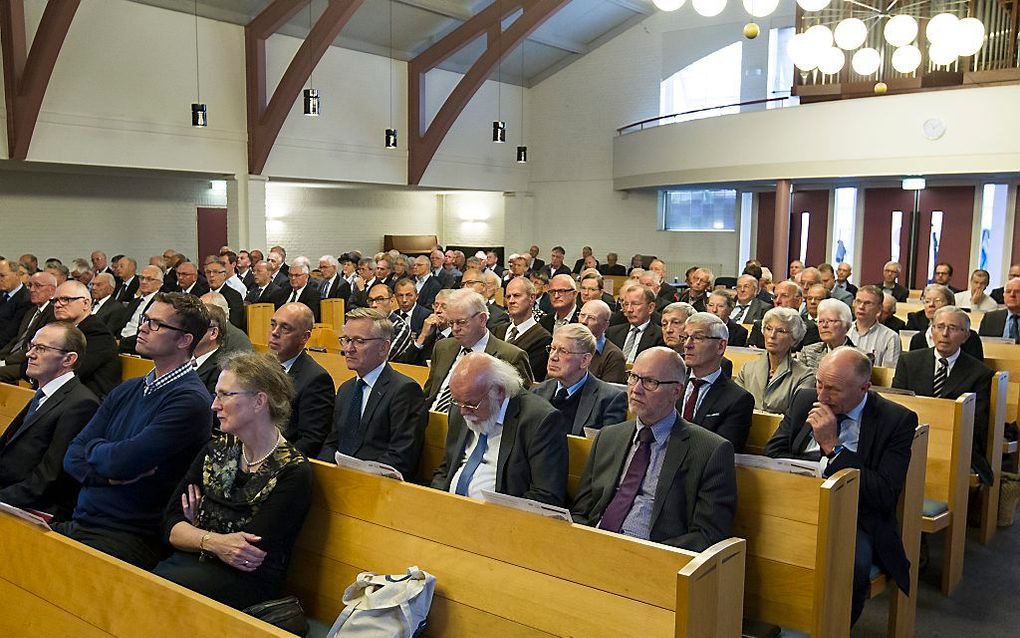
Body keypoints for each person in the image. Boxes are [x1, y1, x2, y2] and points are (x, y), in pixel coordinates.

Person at [59, 293, 214, 569]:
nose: (143, 327)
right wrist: (106, 475)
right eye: (145, 319)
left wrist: (95, 450)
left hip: (131, 535)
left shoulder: (189, 400)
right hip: (84, 520)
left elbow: (123, 462)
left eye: (156, 324)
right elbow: (72, 455)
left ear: (184, 340)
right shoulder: (129, 388)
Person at [765, 347, 916, 626]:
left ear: (864, 388)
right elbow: (772, 454)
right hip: (798, 503)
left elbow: (884, 493)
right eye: (820, 383)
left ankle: (833, 627)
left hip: (857, 518)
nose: (822, 396)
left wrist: (832, 448)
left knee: (849, 566)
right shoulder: (805, 399)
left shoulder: (896, 421)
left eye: (833, 389)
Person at [153, 352, 312, 611]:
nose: (214, 405)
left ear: (259, 401)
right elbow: (170, 525)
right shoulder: (216, 449)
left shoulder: (292, 471)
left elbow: (246, 552)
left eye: (225, 395)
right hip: (193, 564)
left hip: (248, 584)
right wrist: (214, 540)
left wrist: (197, 526)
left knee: (158, 590)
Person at [571, 347, 736, 552]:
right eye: (633, 377)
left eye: (650, 382)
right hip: (593, 545)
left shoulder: (710, 450)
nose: (636, 389)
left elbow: (708, 534)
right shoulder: (609, 437)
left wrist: (650, 555)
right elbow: (583, 509)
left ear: (676, 391)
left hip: (653, 557)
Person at [431, 353, 568, 506]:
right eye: (458, 402)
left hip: (502, 519)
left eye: (471, 404)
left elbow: (546, 496)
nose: (463, 412)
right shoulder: (462, 405)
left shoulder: (539, 420)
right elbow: (446, 468)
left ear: (499, 392)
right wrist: (436, 502)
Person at [0, 322, 100, 519]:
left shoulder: (81, 403)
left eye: (41, 348)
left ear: (69, 359)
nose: (30, 354)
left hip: (34, 507)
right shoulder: (44, 393)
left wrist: (2, 497)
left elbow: (49, 478)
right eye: (31, 346)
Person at [317, 309, 427, 479]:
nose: (349, 349)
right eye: (346, 340)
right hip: (339, 482)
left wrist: (354, 479)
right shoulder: (346, 389)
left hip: (379, 488)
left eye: (359, 341)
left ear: (384, 347)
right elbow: (332, 443)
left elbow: (401, 457)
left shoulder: (404, 391)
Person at [893, 306, 994, 485]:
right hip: (911, 439)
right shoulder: (909, 361)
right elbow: (896, 406)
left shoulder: (980, 373)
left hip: (956, 445)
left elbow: (976, 424)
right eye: (939, 327)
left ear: (965, 336)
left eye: (953, 328)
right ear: (931, 331)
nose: (945, 334)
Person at [422, 289, 533, 411]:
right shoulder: (442, 347)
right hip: (431, 420)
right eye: (451, 323)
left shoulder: (511, 356)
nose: (455, 329)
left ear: (482, 319)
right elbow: (428, 393)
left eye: (461, 322)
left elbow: (520, 408)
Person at [532, 324, 627, 435]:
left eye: (563, 351)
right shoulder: (537, 392)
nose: (553, 357)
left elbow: (607, 449)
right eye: (552, 349)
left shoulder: (609, 400)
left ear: (585, 360)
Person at [679, 313, 754, 451]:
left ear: (720, 346)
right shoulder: (671, 385)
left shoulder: (738, 399)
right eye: (685, 337)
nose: (687, 345)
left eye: (697, 338)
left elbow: (722, 452)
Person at [267, 303, 334, 456]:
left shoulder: (316, 379)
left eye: (285, 328)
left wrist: (272, 462)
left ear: (305, 337)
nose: (275, 332)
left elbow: (311, 441)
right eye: (273, 324)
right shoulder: (263, 366)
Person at [736, 307, 815, 414]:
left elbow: (796, 415)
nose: (772, 336)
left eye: (781, 331)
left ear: (794, 339)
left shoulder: (805, 375)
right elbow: (735, 405)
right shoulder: (747, 369)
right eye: (768, 329)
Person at [51, 280, 121, 399]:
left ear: (85, 304)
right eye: (55, 300)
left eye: (66, 299)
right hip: (67, 396)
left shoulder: (97, 333)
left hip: (90, 403)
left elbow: (70, 372)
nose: (58, 305)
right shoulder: (59, 329)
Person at [0, 271, 57, 383]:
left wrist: (5, 362)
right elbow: (17, 340)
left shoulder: (53, 314)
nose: (31, 290)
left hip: (28, 363)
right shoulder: (31, 311)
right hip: (14, 358)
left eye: (38, 286)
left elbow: (32, 347)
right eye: (30, 285)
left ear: (52, 290)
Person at [493, 277, 552, 382]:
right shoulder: (497, 330)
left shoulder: (543, 338)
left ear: (532, 298)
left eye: (516, 296)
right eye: (508, 297)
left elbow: (529, 378)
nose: (511, 301)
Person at [907, 284, 984, 359]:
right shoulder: (918, 339)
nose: (931, 305)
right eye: (927, 301)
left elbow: (976, 369)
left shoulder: (969, 337)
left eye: (937, 301)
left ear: (951, 304)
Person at [607, 284, 665, 363]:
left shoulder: (660, 336)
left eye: (635, 304)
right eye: (626, 304)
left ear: (651, 307)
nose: (629, 309)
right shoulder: (612, 333)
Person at [849, 285, 902, 368]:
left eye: (868, 303)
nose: (861, 307)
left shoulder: (891, 337)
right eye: (858, 301)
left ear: (879, 308)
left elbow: (889, 373)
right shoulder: (844, 330)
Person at [116, 265, 164, 354]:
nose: (144, 282)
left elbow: (149, 333)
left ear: (160, 284)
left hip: (138, 346)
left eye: (149, 279)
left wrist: (120, 343)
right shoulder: (134, 302)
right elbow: (121, 325)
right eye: (142, 278)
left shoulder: (160, 304)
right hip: (120, 342)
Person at [579, 299, 627, 384]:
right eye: (582, 315)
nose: (583, 321)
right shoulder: (568, 345)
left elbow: (608, 394)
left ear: (605, 325)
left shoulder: (613, 356)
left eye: (591, 318)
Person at [194, 305, 229, 393]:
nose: (186, 330)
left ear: (213, 333)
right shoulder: (181, 357)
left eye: (194, 325)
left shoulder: (223, 369)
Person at [0, 258, 33, 346]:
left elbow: (11, 334)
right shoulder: (2, 293)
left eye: (2, 276)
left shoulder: (26, 300)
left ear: (17, 275)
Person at [979, 277, 1020, 342]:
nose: (1012, 295)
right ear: (1004, 295)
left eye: (1017, 292)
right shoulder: (990, 318)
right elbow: (981, 344)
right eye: (1008, 292)